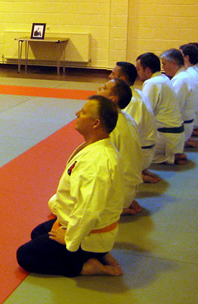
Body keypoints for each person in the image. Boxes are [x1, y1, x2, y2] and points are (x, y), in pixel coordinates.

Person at [16, 95, 124, 277]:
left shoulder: (97, 162)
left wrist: (71, 238)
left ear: (95, 123)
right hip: (86, 224)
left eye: (83, 112)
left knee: (25, 256)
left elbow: (89, 209)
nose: (77, 113)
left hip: (90, 232)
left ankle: (90, 267)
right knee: (38, 233)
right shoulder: (96, 147)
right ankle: (99, 253)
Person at [96, 79, 144, 215]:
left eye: (104, 87)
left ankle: (115, 209)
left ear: (113, 98)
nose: (99, 87)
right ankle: (123, 202)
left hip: (119, 190)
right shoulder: (127, 117)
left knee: (55, 202)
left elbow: (102, 165)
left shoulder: (110, 125)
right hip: (129, 188)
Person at [109, 62, 160, 183]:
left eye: (112, 73)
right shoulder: (138, 94)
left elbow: (129, 137)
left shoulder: (131, 101)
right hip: (146, 150)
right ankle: (141, 170)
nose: (109, 77)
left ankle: (136, 174)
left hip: (141, 154)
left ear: (122, 78)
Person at [136, 52, 186, 165]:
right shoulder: (163, 78)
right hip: (175, 135)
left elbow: (145, 114)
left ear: (147, 70)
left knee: (130, 151)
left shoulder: (152, 83)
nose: (137, 73)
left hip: (166, 137)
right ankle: (173, 154)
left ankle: (170, 158)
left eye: (138, 69)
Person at [160, 49, 198, 149]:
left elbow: (174, 109)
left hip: (180, 128)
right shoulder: (184, 76)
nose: (162, 67)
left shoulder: (180, 80)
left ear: (173, 63)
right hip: (186, 124)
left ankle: (176, 149)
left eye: (164, 64)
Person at [179, 43, 198, 145]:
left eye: (180, 55)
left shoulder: (190, 74)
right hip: (195, 117)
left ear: (186, 57)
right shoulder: (195, 70)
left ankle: (185, 138)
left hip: (192, 120)